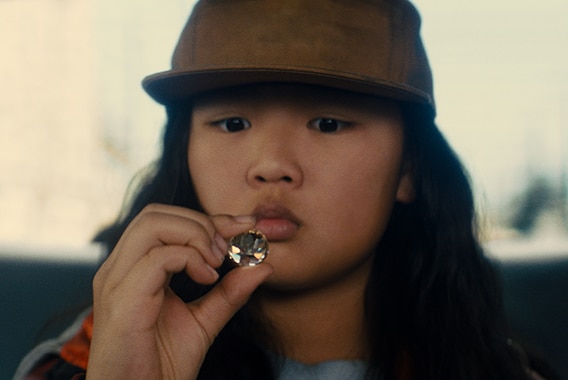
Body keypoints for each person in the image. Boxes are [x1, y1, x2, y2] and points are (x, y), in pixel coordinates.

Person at [15, 0, 551, 379]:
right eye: (231, 124)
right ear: (184, 152)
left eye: (328, 124)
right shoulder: (89, 361)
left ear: (408, 170)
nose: (271, 166)